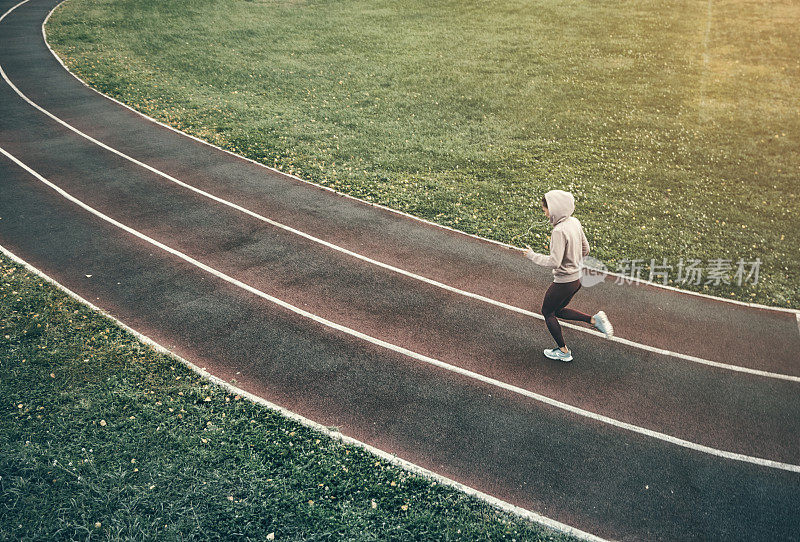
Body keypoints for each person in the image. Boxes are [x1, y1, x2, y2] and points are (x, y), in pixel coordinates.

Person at [524, 190, 613, 362]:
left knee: (547, 312)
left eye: (545, 209)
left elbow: (555, 262)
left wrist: (531, 255)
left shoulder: (558, 231)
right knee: (558, 311)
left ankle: (563, 351)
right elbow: (586, 249)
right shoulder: (574, 222)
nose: (545, 213)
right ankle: (594, 320)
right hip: (577, 279)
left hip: (564, 282)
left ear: (554, 209)